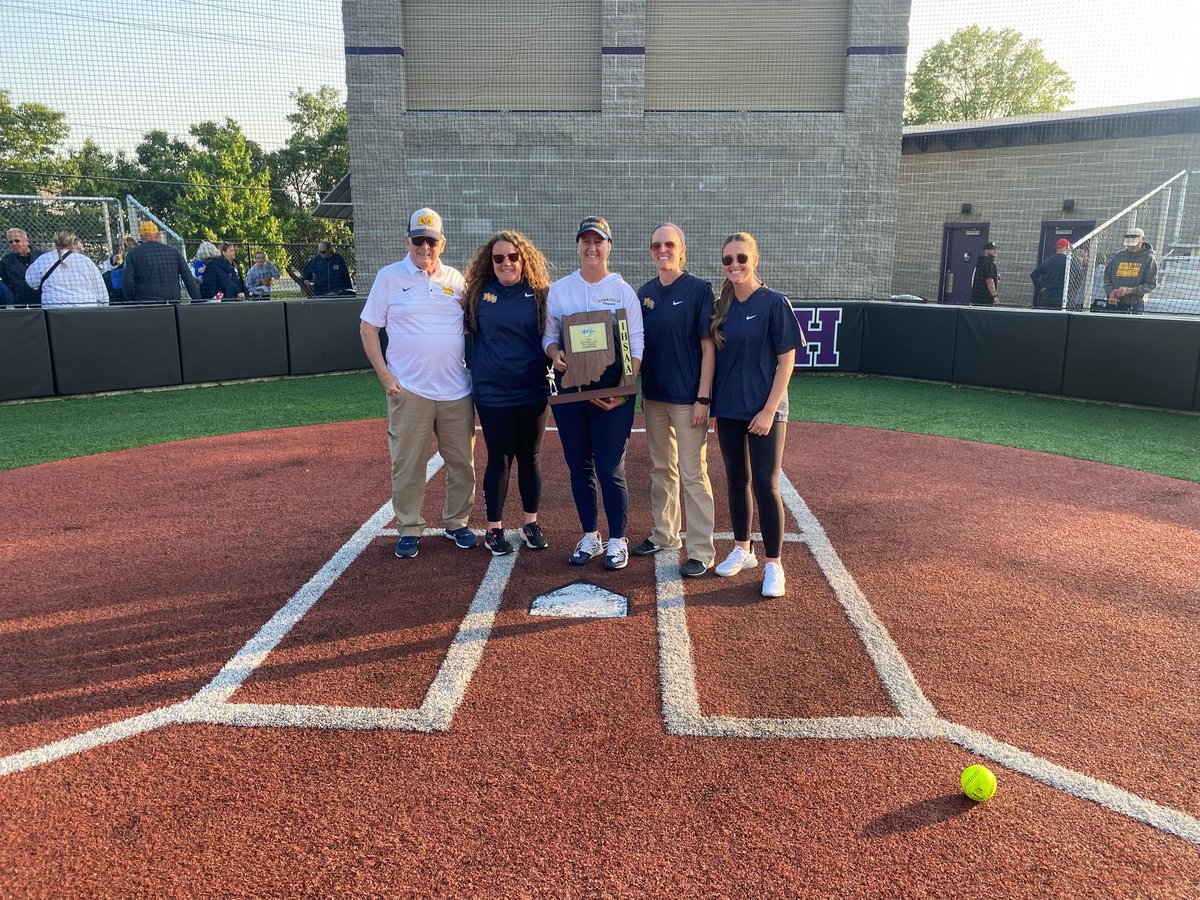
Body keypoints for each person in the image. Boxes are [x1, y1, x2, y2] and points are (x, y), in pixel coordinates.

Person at [359, 207, 478, 559]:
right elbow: (368, 328)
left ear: (442, 243)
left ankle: (457, 522)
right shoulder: (389, 277)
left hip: (456, 390)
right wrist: (385, 376)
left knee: (462, 464)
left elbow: (471, 327)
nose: (425, 247)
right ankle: (409, 527)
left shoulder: (456, 279)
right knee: (408, 465)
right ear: (407, 241)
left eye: (431, 241)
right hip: (410, 390)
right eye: (418, 240)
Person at [543, 216, 644, 571]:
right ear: (578, 246)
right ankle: (590, 535)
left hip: (612, 397)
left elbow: (635, 344)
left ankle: (617, 539)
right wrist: (555, 353)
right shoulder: (560, 290)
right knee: (579, 467)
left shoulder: (623, 291)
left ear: (608, 247)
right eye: (586, 241)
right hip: (571, 394)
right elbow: (549, 336)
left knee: (609, 468)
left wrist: (624, 391)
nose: (591, 247)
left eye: (598, 241)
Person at [710, 232, 804, 598]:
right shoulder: (722, 306)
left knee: (766, 483)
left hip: (766, 411)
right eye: (728, 260)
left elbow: (786, 361)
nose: (734, 265)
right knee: (737, 479)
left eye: (741, 258)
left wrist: (769, 409)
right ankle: (742, 549)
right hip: (729, 409)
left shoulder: (774, 302)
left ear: (755, 260)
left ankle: (774, 564)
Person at [631, 223, 716, 578]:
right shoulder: (645, 292)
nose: (662, 250)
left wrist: (703, 397)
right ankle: (665, 533)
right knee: (661, 469)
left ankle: (701, 550)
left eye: (669, 244)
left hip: (687, 400)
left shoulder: (698, 289)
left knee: (693, 473)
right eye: (656, 245)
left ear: (682, 250)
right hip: (654, 397)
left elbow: (708, 347)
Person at [462, 231, 553, 556]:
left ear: (523, 259)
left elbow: (553, 336)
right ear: (490, 261)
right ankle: (494, 528)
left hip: (532, 390)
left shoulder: (540, 294)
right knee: (498, 459)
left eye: (513, 257)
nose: (506, 263)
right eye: (499, 258)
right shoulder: (477, 294)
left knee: (530, 457)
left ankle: (531, 524)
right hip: (493, 394)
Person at [23, 229, 108, 307]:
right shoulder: (85, 261)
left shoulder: (44, 259)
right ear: (75, 242)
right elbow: (101, 293)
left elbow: (32, 282)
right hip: (85, 310)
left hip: (53, 312)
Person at [122, 221, 200, 304]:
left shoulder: (133, 254)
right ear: (157, 235)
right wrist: (197, 299)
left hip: (146, 304)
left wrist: (133, 300)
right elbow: (188, 278)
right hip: (172, 304)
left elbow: (128, 282)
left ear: (141, 236)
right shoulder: (173, 252)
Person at [1103, 227, 1158, 314]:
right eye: (1129, 245)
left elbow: (1150, 285)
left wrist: (1130, 290)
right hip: (1113, 303)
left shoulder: (1149, 259)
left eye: (1134, 245)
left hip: (1134, 305)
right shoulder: (1118, 256)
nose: (1131, 247)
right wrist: (1111, 292)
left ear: (1143, 239)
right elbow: (1107, 277)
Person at [2, 228, 45, 307]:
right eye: (10, 242)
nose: (13, 244)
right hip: (20, 303)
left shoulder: (41, 256)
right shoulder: (6, 261)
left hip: (41, 300)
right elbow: (5, 282)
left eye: (17, 241)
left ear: (26, 240)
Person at [970, 241, 1000, 306]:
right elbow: (989, 281)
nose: (995, 251)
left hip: (976, 298)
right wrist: (995, 296)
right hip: (985, 300)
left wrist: (994, 275)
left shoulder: (980, 262)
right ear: (986, 251)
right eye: (992, 249)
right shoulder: (989, 263)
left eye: (995, 249)